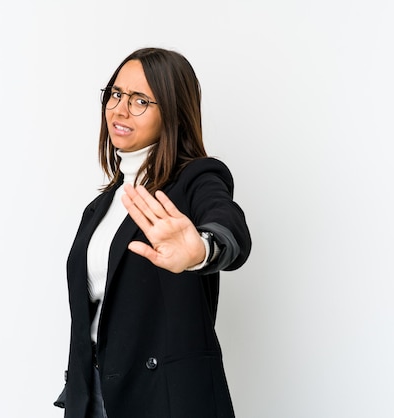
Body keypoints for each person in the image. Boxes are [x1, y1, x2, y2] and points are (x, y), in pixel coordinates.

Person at [54, 47, 252, 418]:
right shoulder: (101, 206)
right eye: (116, 94)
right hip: (93, 395)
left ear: (172, 112)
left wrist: (204, 249)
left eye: (140, 100)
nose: (120, 109)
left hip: (164, 400)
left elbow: (230, 228)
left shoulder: (196, 179)